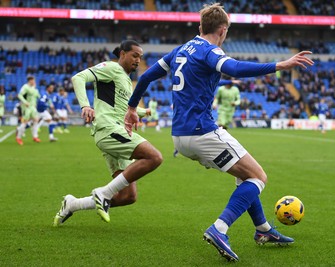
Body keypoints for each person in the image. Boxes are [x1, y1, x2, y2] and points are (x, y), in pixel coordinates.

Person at [124, 3, 313, 262]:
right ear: (222, 30)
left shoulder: (179, 50)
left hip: (180, 136)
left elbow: (144, 77)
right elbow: (233, 69)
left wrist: (132, 108)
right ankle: (220, 228)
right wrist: (281, 64)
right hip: (203, 131)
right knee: (258, 178)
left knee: (243, 175)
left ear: (200, 27)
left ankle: (263, 230)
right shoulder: (210, 52)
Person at [53, 40, 162, 226]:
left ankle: (73, 204)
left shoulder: (125, 80)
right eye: (134, 55)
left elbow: (119, 107)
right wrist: (85, 105)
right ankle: (103, 193)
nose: (138, 60)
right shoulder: (111, 68)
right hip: (109, 129)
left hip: (117, 131)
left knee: (128, 196)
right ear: (122, 54)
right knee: (154, 157)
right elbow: (78, 78)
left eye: (140, 57)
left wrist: (141, 112)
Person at [16, 76, 41, 145]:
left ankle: (35, 136)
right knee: (25, 122)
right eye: (33, 80)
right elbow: (19, 95)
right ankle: (18, 137)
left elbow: (38, 96)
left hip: (33, 107)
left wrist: (35, 88)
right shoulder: (25, 87)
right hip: (27, 107)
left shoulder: (33, 88)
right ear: (30, 81)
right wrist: (25, 102)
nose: (34, 82)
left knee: (36, 120)